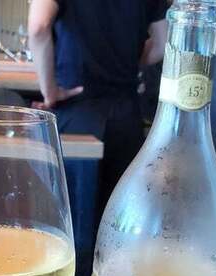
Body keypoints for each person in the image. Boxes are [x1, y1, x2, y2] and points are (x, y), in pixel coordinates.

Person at [28, 0, 168, 213]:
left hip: (76, 110)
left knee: (67, 218)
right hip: (126, 116)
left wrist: (50, 92)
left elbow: (38, 27)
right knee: (116, 219)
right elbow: (162, 44)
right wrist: (127, 60)